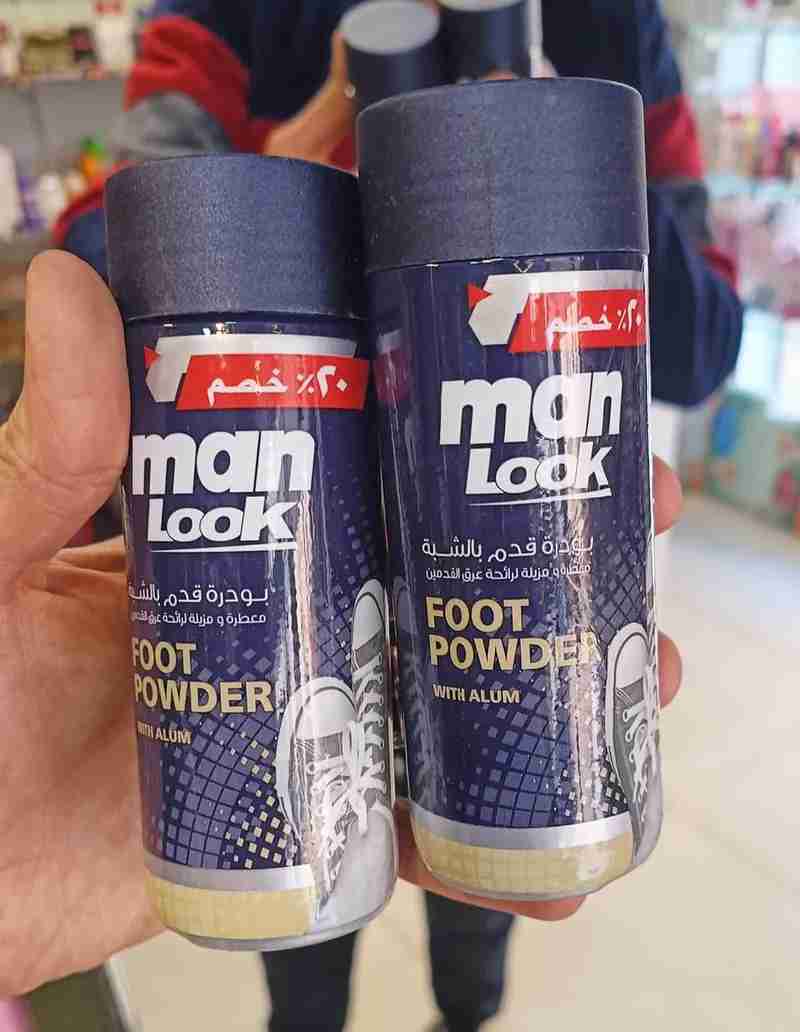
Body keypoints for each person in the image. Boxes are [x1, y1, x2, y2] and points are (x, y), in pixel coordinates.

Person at [0, 4, 738, 1031]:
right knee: (308, 907)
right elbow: (109, 237)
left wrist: (556, 151)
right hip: (318, 443)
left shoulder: (609, 21)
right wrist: (317, 142)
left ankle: (466, 1007)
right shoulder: (219, 15)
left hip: (426, 474)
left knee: (488, 841)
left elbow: (703, 342)